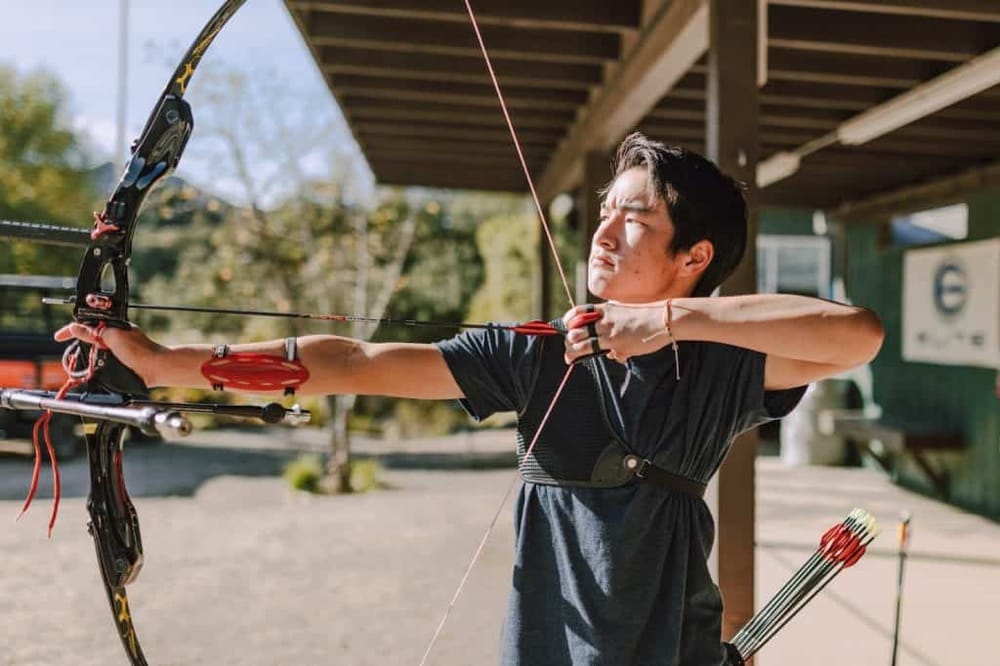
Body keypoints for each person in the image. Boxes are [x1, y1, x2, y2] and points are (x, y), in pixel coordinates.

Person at [57, 133, 884, 665]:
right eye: (604, 211)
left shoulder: (719, 366)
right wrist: (166, 360)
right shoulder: (536, 358)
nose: (602, 231)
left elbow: (858, 334)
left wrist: (669, 321)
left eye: (633, 220)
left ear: (693, 255)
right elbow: (352, 361)